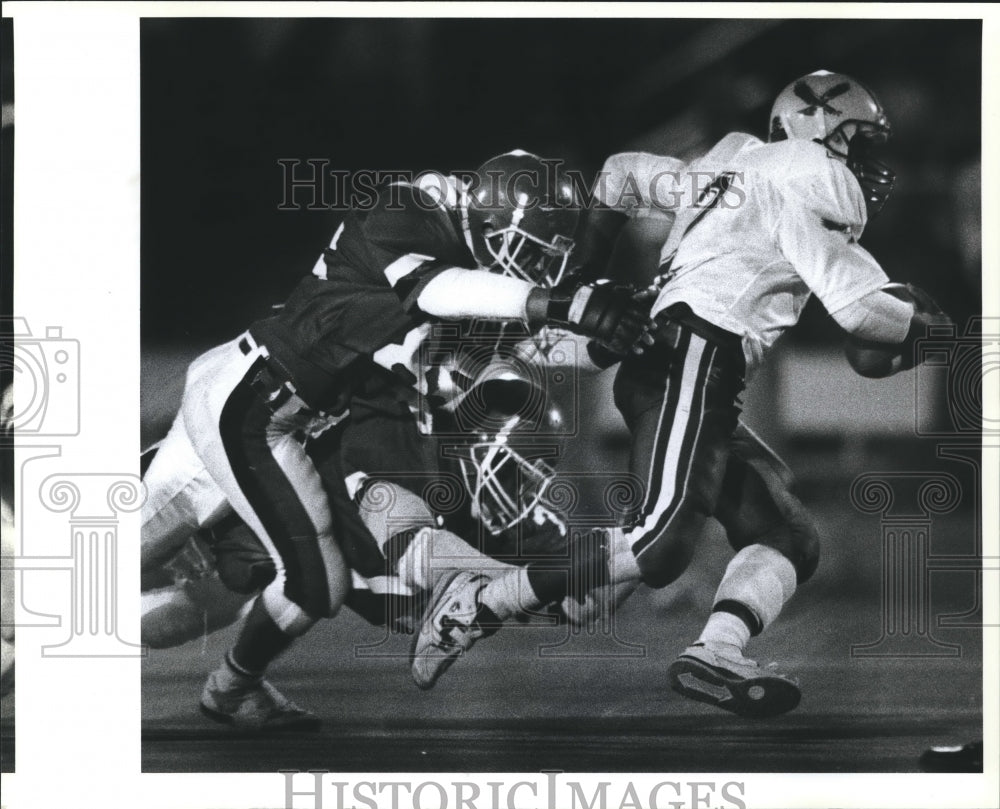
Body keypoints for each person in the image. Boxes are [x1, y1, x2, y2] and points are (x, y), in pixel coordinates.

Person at [410, 70, 953, 717]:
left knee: (785, 533)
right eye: (858, 141)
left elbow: (620, 174)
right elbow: (859, 311)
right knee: (659, 545)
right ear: (819, 127)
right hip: (695, 352)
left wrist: (582, 272)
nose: (865, 162)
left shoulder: (734, 158)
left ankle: (716, 648)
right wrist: (935, 330)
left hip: (682, 360)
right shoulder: (811, 169)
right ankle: (481, 600)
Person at [140, 149, 651, 729]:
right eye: (531, 252)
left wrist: (614, 337)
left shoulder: (467, 278)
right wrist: (567, 305)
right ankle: (215, 683)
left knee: (237, 591)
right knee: (127, 561)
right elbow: (436, 292)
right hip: (252, 406)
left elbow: (524, 344)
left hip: (284, 419)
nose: (535, 270)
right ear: (492, 224)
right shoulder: (410, 212)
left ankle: (230, 686)